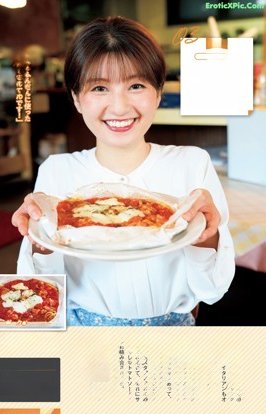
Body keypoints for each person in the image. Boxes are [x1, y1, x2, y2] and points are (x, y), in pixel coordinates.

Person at [12, 16, 235, 326]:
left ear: (158, 92)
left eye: (136, 85)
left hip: (174, 333)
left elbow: (212, 290)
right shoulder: (56, 172)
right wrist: (37, 236)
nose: (119, 107)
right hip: (84, 335)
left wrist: (205, 236)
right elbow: (41, 293)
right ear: (76, 98)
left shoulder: (192, 164)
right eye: (100, 87)